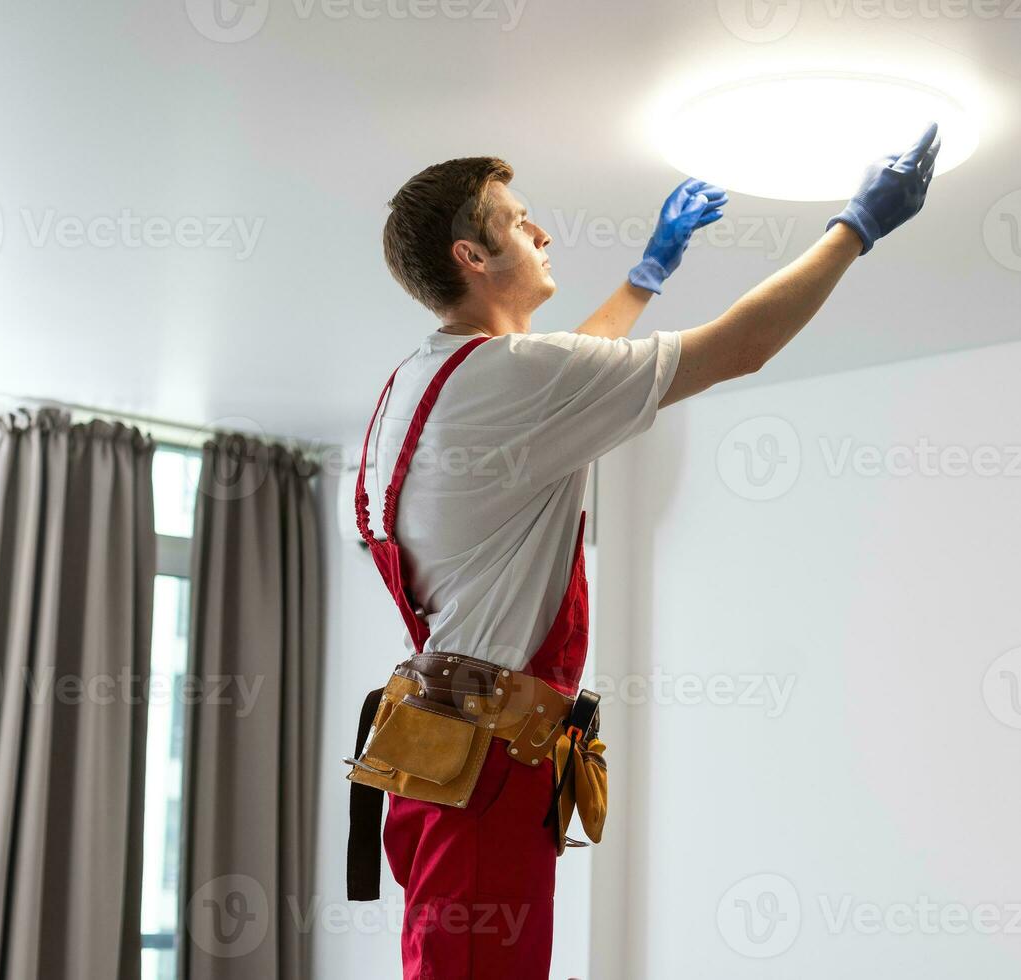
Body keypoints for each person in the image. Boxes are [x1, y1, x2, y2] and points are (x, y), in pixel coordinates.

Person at [356, 123, 941, 978]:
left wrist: (646, 275)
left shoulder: (428, 378)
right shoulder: (508, 376)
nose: (541, 233)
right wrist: (855, 228)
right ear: (471, 257)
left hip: (446, 760)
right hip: (485, 773)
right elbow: (737, 349)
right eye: (519, 222)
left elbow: (566, 378)